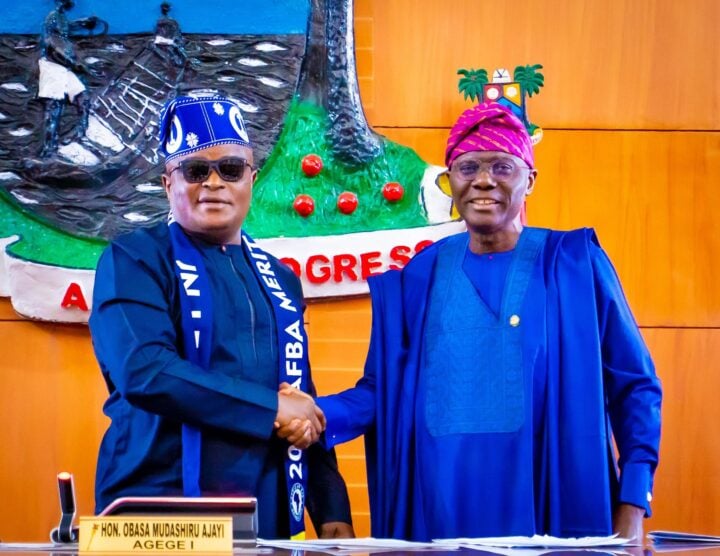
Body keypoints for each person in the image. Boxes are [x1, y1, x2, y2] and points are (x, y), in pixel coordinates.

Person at [292, 102, 662, 541]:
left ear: (530, 180)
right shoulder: (419, 277)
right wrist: (313, 413)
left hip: (552, 508)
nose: (483, 180)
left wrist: (634, 500)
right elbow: (379, 391)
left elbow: (635, 385)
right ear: (451, 182)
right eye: (467, 168)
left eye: (502, 167)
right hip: (441, 516)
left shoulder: (575, 266)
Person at [89, 95, 354, 539]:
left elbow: (300, 394)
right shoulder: (132, 259)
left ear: (251, 179)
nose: (213, 182)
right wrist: (272, 408)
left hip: (263, 509)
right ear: (166, 182)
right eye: (195, 170)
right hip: (155, 512)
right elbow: (145, 371)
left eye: (230, 169)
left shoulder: (281, 279)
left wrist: (331, 506)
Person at [38, 0, 102, 157]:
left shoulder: (60, 17)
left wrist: (83, 23)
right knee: (53, 109)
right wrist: (77, 64)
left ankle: (80, 135)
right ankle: (48, 149)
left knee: (83, 98)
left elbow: (67, 27)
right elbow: (53, 46)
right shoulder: (52, 18)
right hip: (53, 68)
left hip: (65, 69)